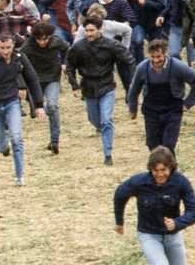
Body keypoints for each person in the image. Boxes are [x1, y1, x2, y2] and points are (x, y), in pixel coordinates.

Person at [113, 146, 194, 265]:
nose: (159, 174)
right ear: (150, 169)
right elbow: (120, 194)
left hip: (172, 236)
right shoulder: (139, 182)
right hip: (149, 234)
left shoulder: (181, 183)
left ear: (171, 168)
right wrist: (119, 221)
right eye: (155, 170)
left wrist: (178, 223)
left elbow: (192, 210)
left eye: (163, 170)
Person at [0, 34, 45, 186]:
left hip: (12, 102)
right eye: (2, 48)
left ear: (13, 46)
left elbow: (32, 79)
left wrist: (38, 105)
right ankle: (4, 147)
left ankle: (19, 176)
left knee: (17, 138)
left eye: (8, 48)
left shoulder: (20, 58)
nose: (5, 51)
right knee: (0, 144)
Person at [66, 17, 134, 165]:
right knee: (94, 119)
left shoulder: (111, 45)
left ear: (100, 29)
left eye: (92, 30)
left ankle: (108, 154)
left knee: (106, 120)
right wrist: (74, 85)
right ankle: (100, 129)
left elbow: (129, 59)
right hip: (88, 87)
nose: (89, 34)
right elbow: (70, 66)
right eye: (87, 31)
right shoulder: (78, 47)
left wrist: (134, 79)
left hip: (106, 85)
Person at [127, 39, 195, 153]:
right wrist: (132, 109)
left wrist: (188, 103)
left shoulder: (178, 67)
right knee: (153, 146)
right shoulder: (142, 68)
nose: (156, 60)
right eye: (152, 57)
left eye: (159, 56)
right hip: (151, 110)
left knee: (168, 146)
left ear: (165, 53)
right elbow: (134, 89)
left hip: (172, 110)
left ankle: (170, 170)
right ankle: (159, 169)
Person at [20, 22, 70, 155]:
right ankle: (38, 107)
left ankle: (54, 141)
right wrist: (22, 84)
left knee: (52, 106)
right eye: (39, 39)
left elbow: (67, 49)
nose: (42, 42)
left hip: (52, 77)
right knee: (35, 111)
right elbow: (18, 61)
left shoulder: (57, 41)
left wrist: (65, 63)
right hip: (35, 80)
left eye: (45, 39)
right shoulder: (27, 46)